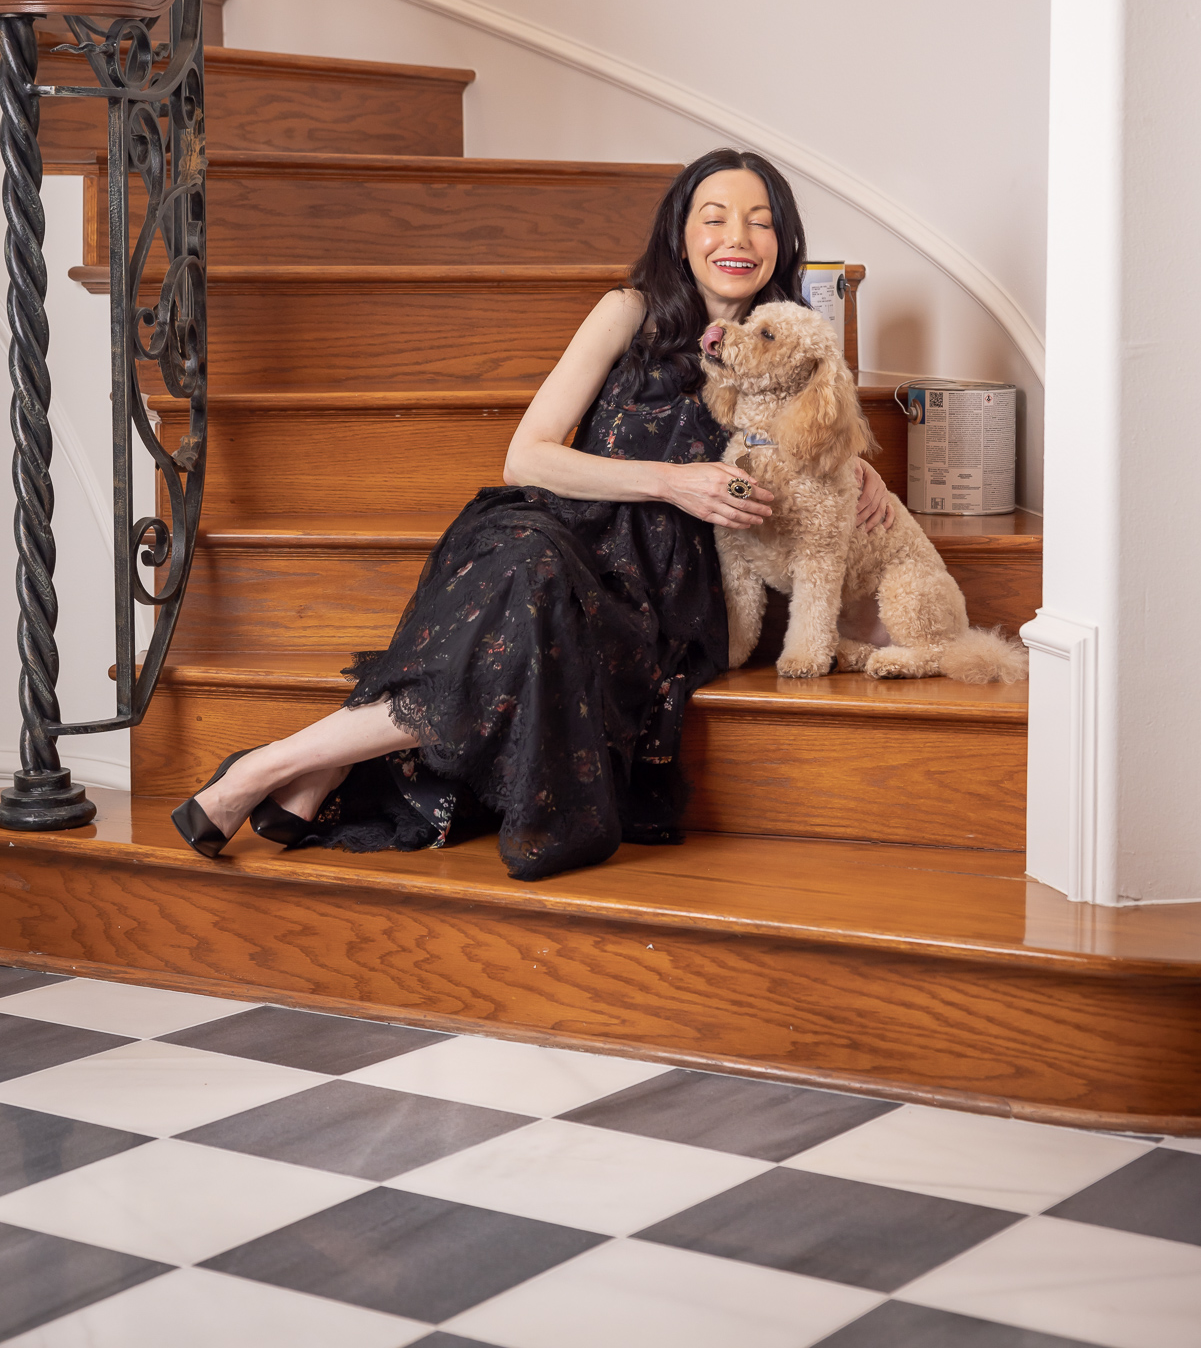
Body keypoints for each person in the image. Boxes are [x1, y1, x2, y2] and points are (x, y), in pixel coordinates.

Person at [171, 148, 892, 881]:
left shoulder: (795, 341)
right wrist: (670, 481)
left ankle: (283, 767)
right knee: (526, 569)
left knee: (531, 599)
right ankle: (282, 767)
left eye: (759, 222)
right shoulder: (630, 310)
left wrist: (860, 470)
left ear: (782, 242)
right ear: (680, 234)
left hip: (662, 595)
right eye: (714, 219)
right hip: (563, 527)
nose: (736, 237)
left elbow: (820, 446)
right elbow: (526, 456)